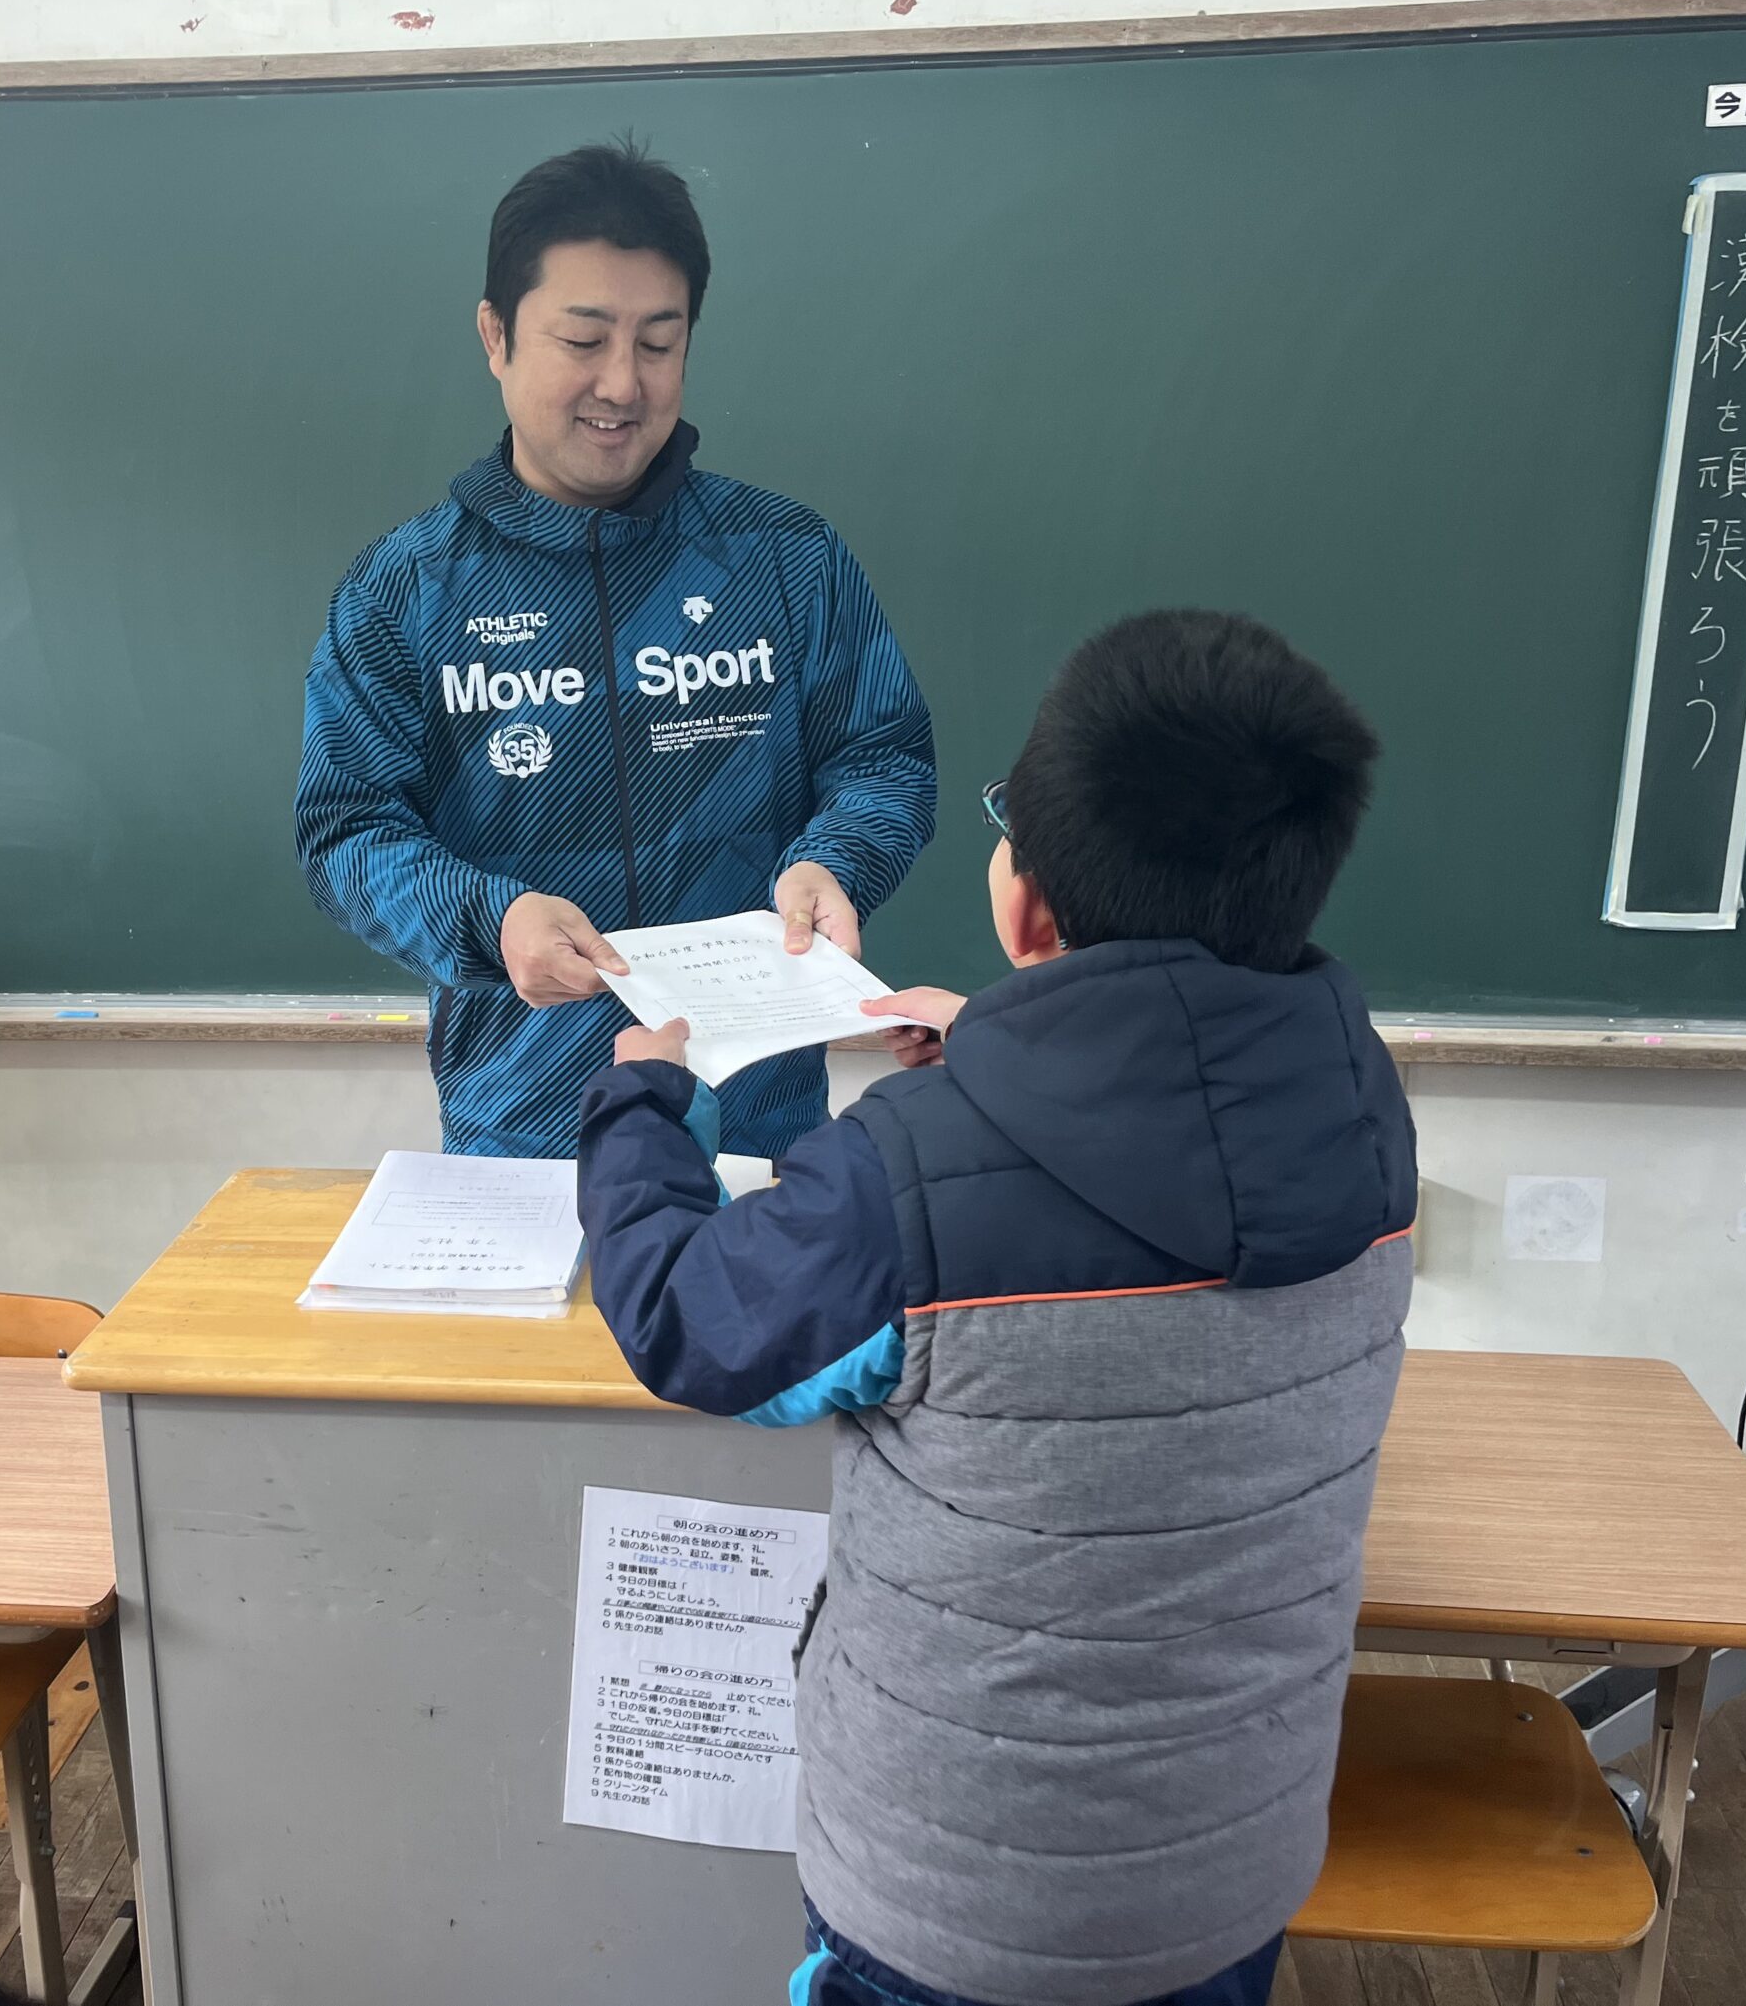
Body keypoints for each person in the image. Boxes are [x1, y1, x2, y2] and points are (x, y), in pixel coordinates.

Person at [577, 609, 1416, 2006]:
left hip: (951, 1905)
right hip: (1230, 1869)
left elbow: (686, 1316)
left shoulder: (905, 1174)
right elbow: (1179, 1120)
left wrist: (638, 1100)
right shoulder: (1358, 1105)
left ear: (1024, 907)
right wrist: (1008, 1044)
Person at [295, 138, 936, 1158]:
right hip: (523, 1138)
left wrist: (835, 860)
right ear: (497, 335)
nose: (623, 384)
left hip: (757, 1136)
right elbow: (347, 831)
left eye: (658, 343)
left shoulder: (786, 558)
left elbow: (884, 759)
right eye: (583, 340)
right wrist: (492, 920)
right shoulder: (404, 590)